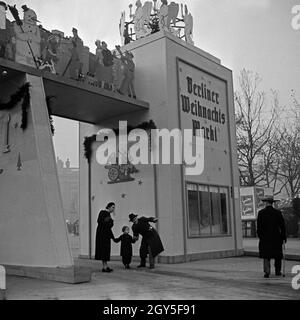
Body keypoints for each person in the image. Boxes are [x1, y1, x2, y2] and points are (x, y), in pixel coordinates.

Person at [257, 196, 287, 278]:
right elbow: (282, 226)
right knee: (277, 255)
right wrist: (283, 237)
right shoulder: (277, 213)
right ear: (272, 203)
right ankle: (278, 271)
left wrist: (260, 236)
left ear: (266, 203)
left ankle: (267, 272)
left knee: (266, 255)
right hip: (276, 237)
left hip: (265, 238)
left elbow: (259, 227)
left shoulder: (261, 213)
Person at [95, 202, 116, 273]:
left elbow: (109, 226)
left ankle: (105, 266)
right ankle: (104, 267)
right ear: (109, 207)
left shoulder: (109, 215)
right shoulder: (103, 212)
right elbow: (99, 221)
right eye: (113, 207)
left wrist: (111, 223)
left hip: (106, 235)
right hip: (102, 235)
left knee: (106, 251)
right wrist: (108, 221)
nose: (113, 209)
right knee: (104, 250)